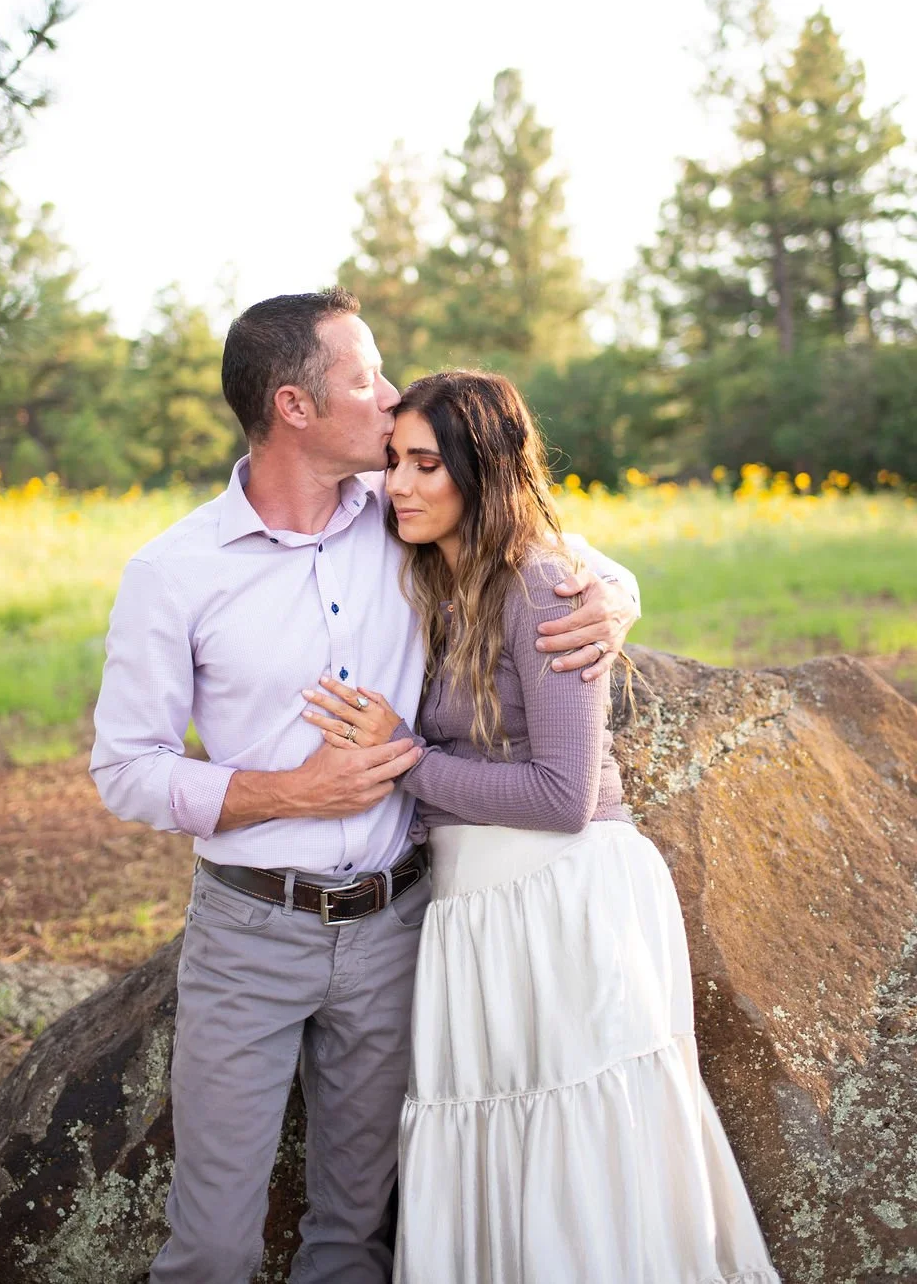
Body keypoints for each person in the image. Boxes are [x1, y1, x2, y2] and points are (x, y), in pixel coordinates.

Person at [90, 288, 640, 1284]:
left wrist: (615, 603)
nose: (391, 400)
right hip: (251, 934)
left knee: (354, 1238)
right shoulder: (172, 572)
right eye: (365, 377)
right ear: (296, 406)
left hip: (400, 926)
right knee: (212, 1245)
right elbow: (124, 766)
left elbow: (563, 558)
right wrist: (286, 792)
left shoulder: (404, 517)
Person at [304, 369, 779, 1284]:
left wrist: (404, 760)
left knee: (577, 1139)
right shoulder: (437, 577)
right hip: (477, 908)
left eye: (425, 465)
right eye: (392, 462)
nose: (397, 485)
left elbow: (563, 797)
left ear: (482, 471)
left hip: (560, 904)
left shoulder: (541, 586)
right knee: (494, 1130)